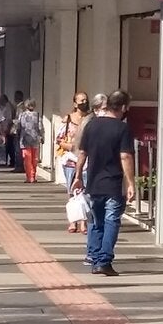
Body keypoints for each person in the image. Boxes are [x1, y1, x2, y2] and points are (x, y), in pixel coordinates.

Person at [73, 90, 135, 276]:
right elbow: (125, 156)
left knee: (95, 221)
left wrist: (77, 177)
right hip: (113, 183)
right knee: (111, 221)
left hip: (93, 182)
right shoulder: (122, 128)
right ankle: (104, 261)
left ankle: (93, 256)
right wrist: (130, 182)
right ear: (123, 107)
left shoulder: (91, 125)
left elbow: (82, 153)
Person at [57, 93, 92, 232]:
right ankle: (73, 221)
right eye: (81, 100)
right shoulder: (68, 119)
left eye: (86, 100)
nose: (84, 102)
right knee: (72, 192)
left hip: (87, 161)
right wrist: (71, 147)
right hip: (71, 161)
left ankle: (84, 222)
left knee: (85, 191)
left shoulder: (91, 119)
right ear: (75, 104)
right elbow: (59, 139)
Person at [16, 99, 45, 183]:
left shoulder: (22, 115)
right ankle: (33, 175)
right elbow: (40, 127)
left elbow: (18, 126)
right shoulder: (37, 115)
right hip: (35, 138)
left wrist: (18, 135)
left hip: (25, 139)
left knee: (27, 158)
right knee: (34, 158)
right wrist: (42, 137)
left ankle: (29, 177)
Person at [0, 90, 18, 170]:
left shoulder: (8, 107)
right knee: (9, 146)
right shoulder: (6, 106)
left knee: (10, 146)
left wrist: (6, 129)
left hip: (8, 129)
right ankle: (10, 161)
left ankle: (12, 161)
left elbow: (8, 119)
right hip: (6, 129)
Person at [10, 90, 27, 172]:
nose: (15, 98)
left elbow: (19, 120)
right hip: (21, 130)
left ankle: (19, 166)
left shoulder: (20, 107)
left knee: (18, 149)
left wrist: (13, 122)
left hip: (19, 130)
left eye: (16, 96)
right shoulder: (20, 106)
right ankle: (20, 166)